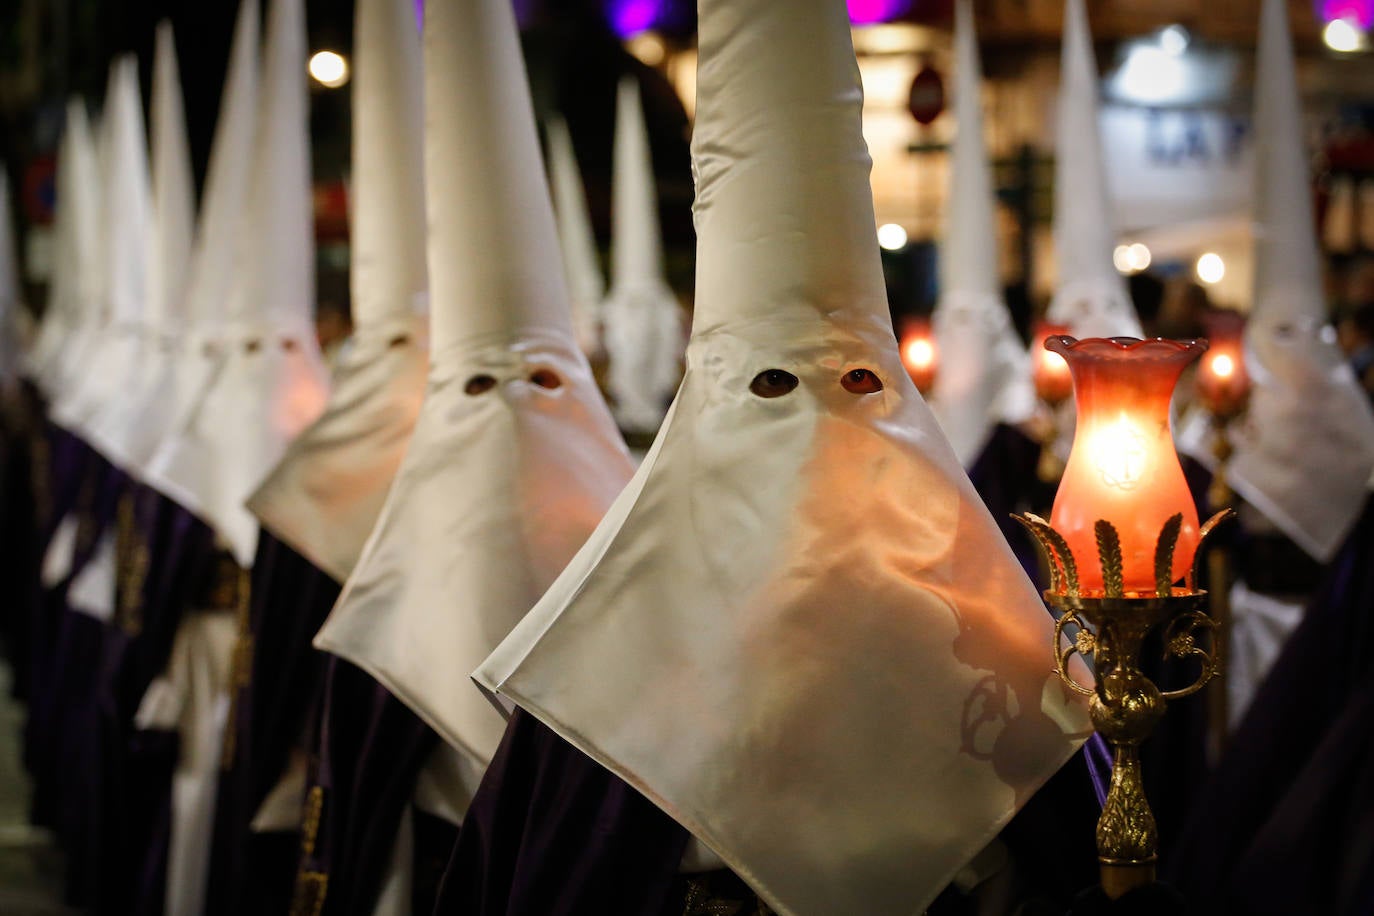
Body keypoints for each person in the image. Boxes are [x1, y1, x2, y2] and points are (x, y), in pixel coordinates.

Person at [436, 0, 1091, 912]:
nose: (813, 428)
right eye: (770, 388)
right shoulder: (612, 655)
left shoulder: (989, 628)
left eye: (858, 384)